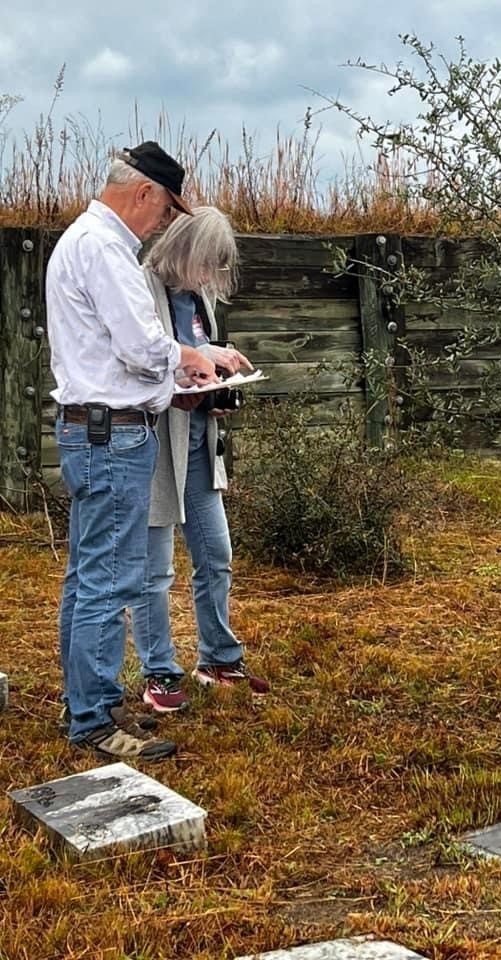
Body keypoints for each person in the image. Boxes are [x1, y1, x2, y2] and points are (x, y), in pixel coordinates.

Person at [47, 142, 220, 759]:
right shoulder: (106, 249)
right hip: (113, 436)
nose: (165, 225)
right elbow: (142, 347)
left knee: (87, 575)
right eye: (168, 213)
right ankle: (93, 719)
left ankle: (86, 699)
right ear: (144, 193)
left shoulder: (85, 241)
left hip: (95, 430)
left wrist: (182, 367)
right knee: (109, 580)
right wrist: (191, 358)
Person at [130, 205, 269, 713]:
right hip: (154, 446)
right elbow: (138, 362)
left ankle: (218, 658)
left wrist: (218, 379)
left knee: (216, 554)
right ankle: (159, 672)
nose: (211, 275)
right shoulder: (141, 288)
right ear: (184, 251)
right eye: (206, 262)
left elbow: (194, 353)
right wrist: (190, 372)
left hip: (198, 442)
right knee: (154, 569)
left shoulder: (198, 295)